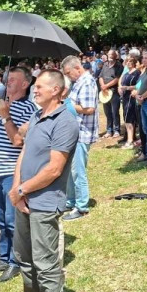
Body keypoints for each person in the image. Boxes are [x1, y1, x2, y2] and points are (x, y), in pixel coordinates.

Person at [7, 69, 78, 292]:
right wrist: (16, 189)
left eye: (39, 86)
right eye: (34, 86)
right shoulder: (37, 116)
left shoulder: (65, 122)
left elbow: (54, 169)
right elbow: (23, 154)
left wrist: (22, 190)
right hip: (24, 199)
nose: (34, 90)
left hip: (45, 203)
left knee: (46, 266)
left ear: (56, 90)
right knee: (25, 258)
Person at [0, 66, 35, 282]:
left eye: (13, 79)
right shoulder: (5, 105)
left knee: (11, 219)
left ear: (25, 84)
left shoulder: (27, 108)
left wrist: (6, 116)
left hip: (10, 172)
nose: (8, 82)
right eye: (8, 78)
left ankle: (16, 261)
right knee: (0, 219)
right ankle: (4, 258)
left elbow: (18, 141)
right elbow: (0, 136)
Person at [61, 56, 98, 216]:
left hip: (82, 133)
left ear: (77, 68)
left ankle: (82, 206)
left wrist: (67, 104)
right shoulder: (78, 82)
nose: (68, 76)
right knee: (70, 170)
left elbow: (89, 108)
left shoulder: (87, 82)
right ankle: (71, 201)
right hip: (74, 132)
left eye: (68, 73)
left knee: (78, 171)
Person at [99, 50, 123, 139]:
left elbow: (117, 79)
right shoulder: (105, 65)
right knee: (107, 112)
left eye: (112, 54)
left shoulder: (119, 66)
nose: (110, 56)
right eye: (109, 54)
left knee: (115, 112)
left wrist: (106, 86)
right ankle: (109, 130)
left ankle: (117, 130)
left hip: (114, 92)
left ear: (115, 56)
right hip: (105, 92)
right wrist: (103, 85)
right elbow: (100, 76)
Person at [118, 56, 141, 151]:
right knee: (126, 118)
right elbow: (121, 82)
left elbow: (138, 85)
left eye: (130, 61)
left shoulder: (137, 73)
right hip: (125, 97)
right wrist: (121, 88)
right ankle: (130, 138)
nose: (128, 63)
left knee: (130, 118)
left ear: (134, 63)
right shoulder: (126, 73)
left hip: (132, 97)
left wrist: (127, 88)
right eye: (127, 61)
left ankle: (130, 140)